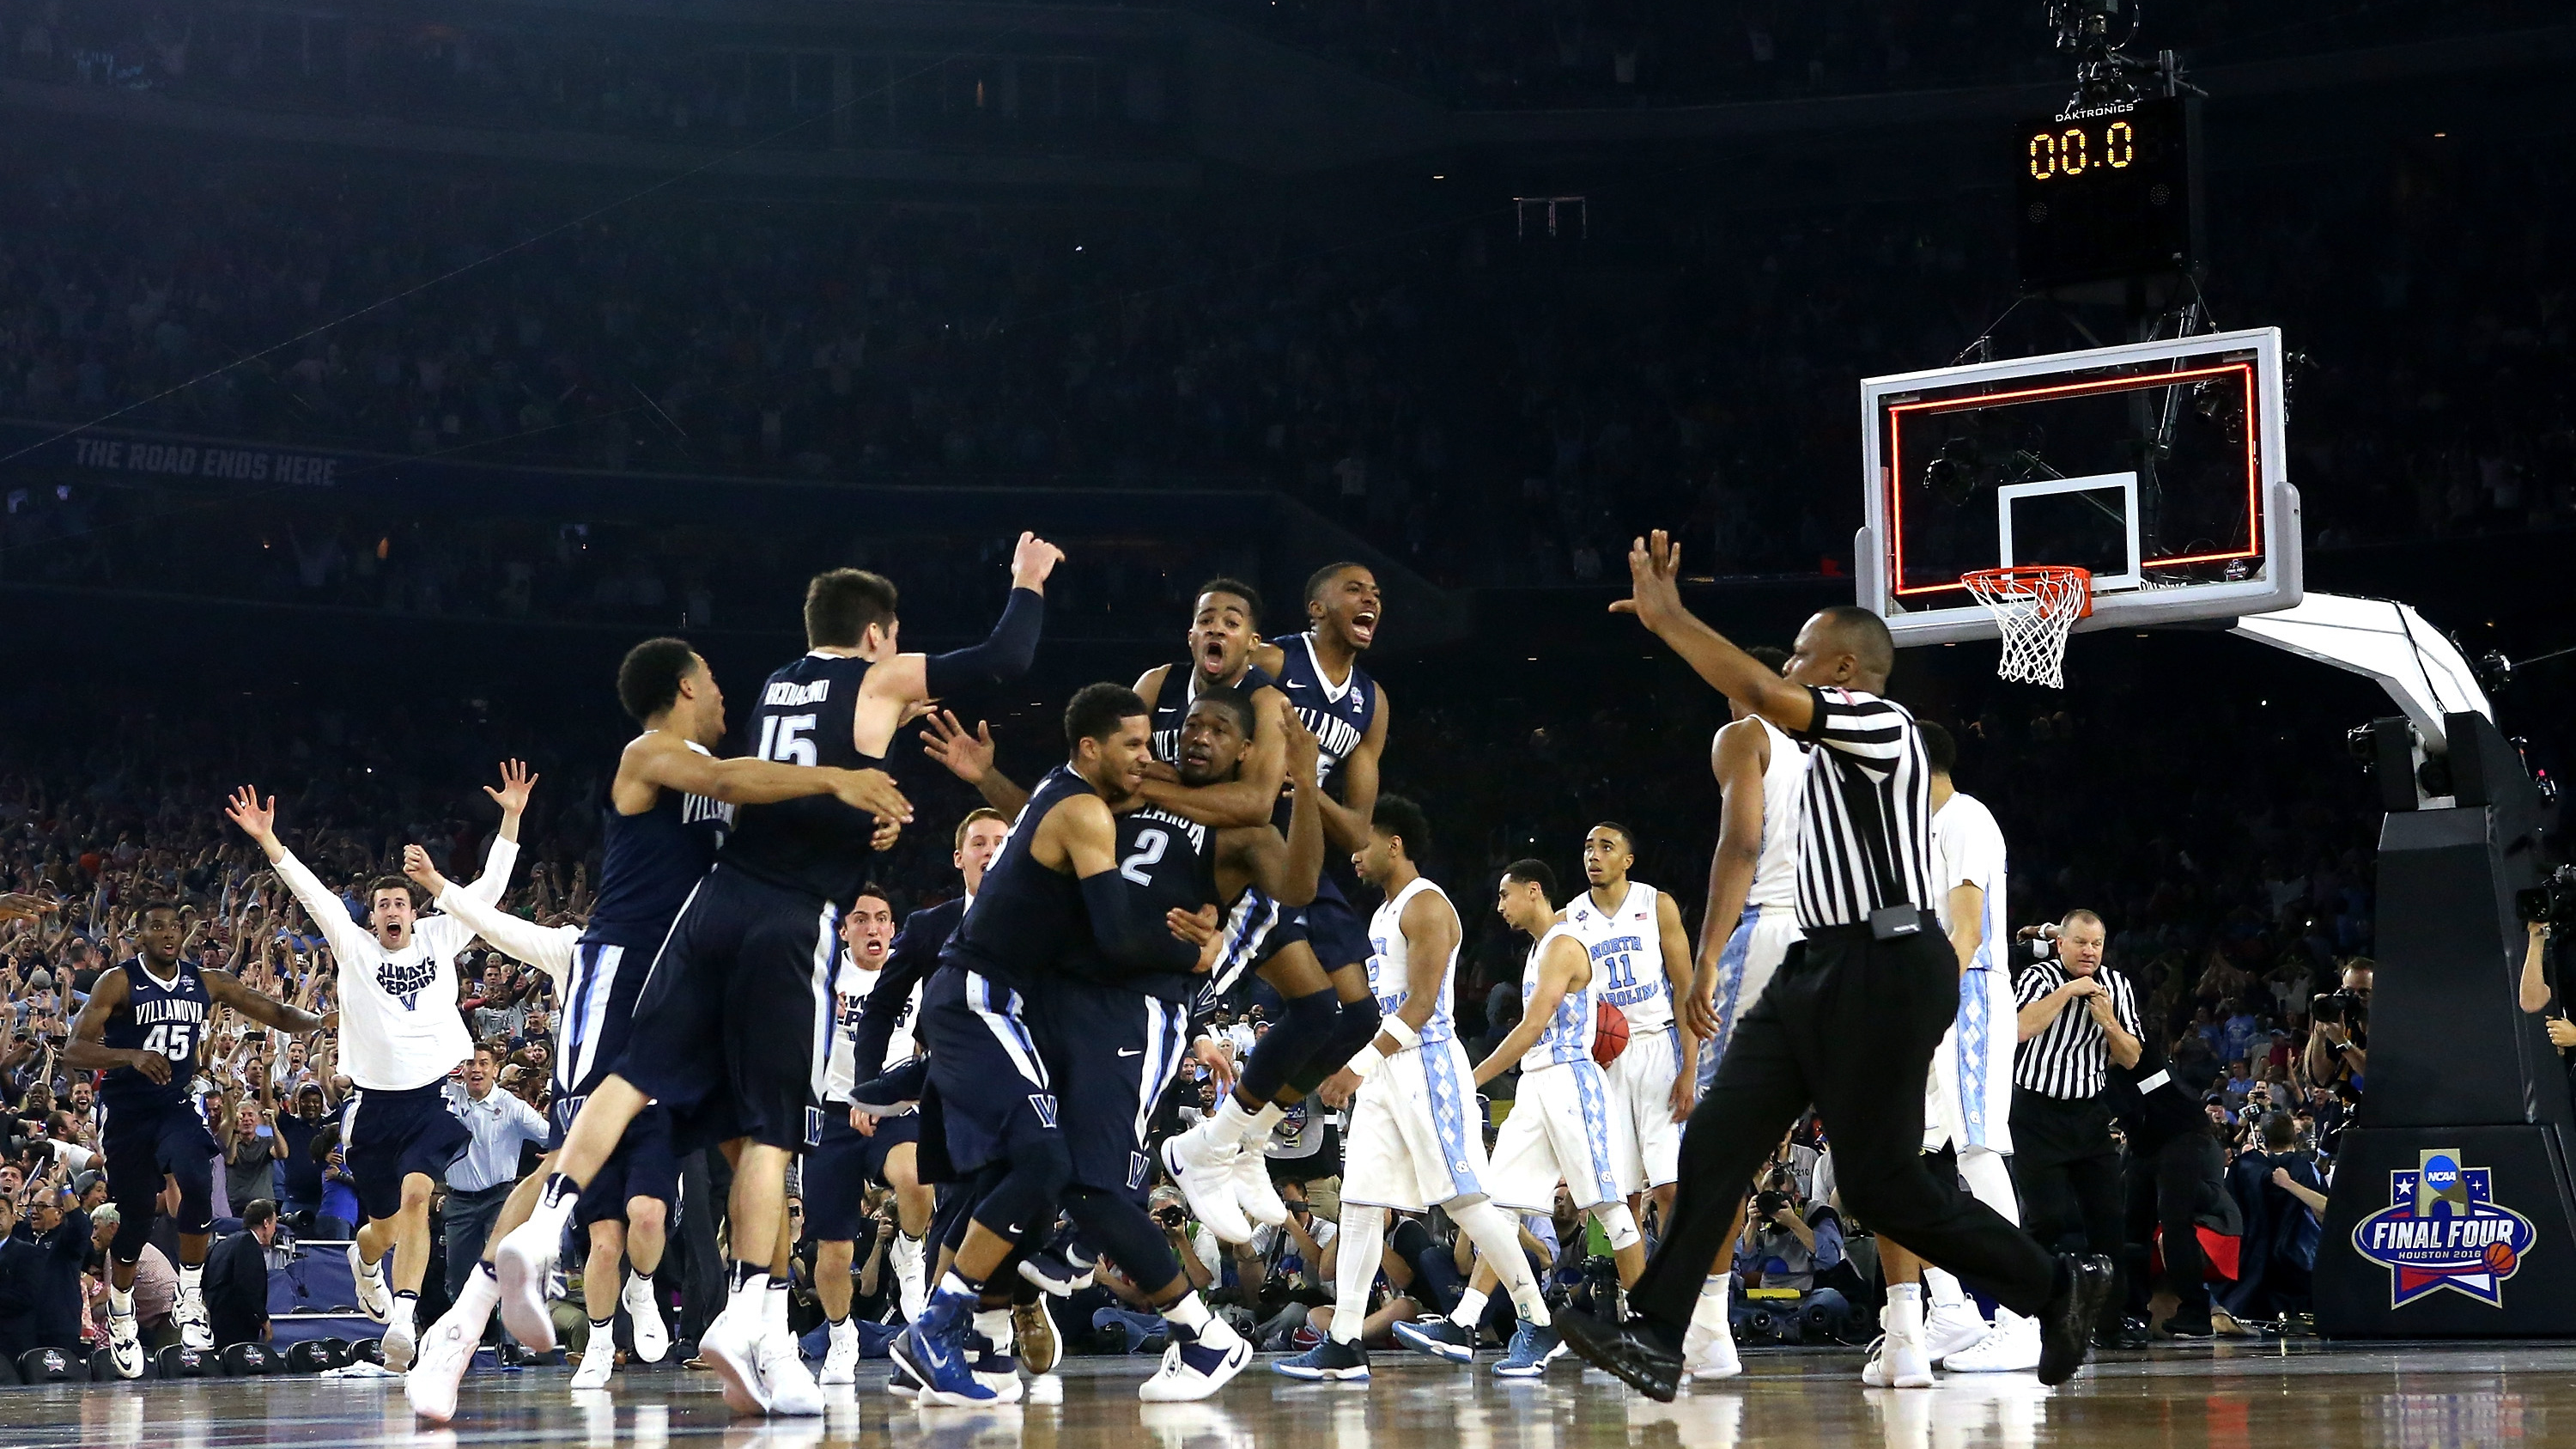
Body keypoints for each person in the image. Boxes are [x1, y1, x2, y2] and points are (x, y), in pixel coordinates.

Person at [501, 542, 1054, 1420]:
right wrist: (1028, 583)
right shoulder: (874, 679)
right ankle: (753, 1308)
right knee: (770, 1130)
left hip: (713, 905)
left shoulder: (772, 689)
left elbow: (762, 785)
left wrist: (853, 814)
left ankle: (544, 1226)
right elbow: (1003, 659)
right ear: (878, 633)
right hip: (791, 921)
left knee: (635, 1072)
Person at [1555, 533, 2111, 1402]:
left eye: (1804, 656)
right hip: (1816, 966)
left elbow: (1758, 690)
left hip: (1889, 961)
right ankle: (1661, 1332)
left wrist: (1670, 620)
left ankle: (2054, 1287)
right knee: (1720, 1135)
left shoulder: (1882, 725)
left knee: (1887, 1188)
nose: (1790, 668)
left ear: (1843, 666)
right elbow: (1750, 749)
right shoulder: (1803, 751)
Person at [404, 636, 908, 1419]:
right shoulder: (654, 752)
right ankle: (458, 1330)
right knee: (565, 1160)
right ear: (682, 686)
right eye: (711, 682)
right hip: (625, 968)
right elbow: (733, 776)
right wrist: (844, 776)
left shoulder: (735, 783)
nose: (722, 697)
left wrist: (859, 822)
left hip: (706, 981)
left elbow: (784, 824)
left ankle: (766, 1334)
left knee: (756, 1152)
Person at [891, 683, 1246, 1406]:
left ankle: (970, 1331)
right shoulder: (1083, 808)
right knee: (1048, 1162)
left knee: (1012, 1172)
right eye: (1135, 745)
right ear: (1090, 747)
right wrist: (1198, 954)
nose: (1151, 758)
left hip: (1000, 999)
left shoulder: (1063, 793)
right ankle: (943, 1321)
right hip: (983, 994)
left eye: (1154, 743)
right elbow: (1116, 935)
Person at [224, 765, 531, 1372]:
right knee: (380, 1230)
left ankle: (404, 1315)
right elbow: (312, 891)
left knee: (419, 1197)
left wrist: (512, 815)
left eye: (401, 901)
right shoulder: (355, 946)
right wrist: (268, 841)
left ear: (414, 911)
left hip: (432, 1099)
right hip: (373, 1105)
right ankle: (367, 1262)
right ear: (372, 916)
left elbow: (489, 891)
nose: (393, 909)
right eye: (384, 903)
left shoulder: (441, 937)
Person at [1274, 797, 1557, 1382]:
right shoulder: (1382, 914)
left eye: (1363, 843)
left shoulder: (1426, 903)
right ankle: (1346, 1339)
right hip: (1387, 1068)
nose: (1355, 855)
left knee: (1466, 1200)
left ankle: (1537, 1317)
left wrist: (1358, 1063)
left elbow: (1424, 1004)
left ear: (1395, 842)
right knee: (1359, 1201)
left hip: (1427, 1064)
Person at [1390, 858, 1644, 1377]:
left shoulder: (1565, 944)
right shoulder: (1536, 951)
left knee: (1609, 1209)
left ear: (1534, 891)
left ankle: (1653, 1327)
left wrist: (1471, 1078)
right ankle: (1467, 1323)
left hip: (1572, 1081)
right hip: (1536, 1085)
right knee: (1499, 1207)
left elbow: (1531, 1026)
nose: (1501, 906)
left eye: (1507, 895)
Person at [61, 897, 332, 1378]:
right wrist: (130, 1056)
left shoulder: (206, 982)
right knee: (138, 1216)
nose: (169, 934)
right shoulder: (118, 981)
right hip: (126, 1112)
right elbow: (73, 1050)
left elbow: (275, 1011)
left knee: (197, 1178)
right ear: (138, 936)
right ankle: (122, 1311)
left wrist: (323, 1021)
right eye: (158, 926)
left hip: (173, 1104)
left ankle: (190, 1296)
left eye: (175, 927)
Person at [1873, 720, 2037, 1381]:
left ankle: (2024, 1319)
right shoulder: (1913, 836)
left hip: (1965, 995)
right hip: (1930, 999)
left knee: (1976, 1149)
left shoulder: (1966, 818)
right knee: (1903, 1156)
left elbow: (1964, 929)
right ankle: (1951, 1309)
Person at [1678, 642, 1799, 1383]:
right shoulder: (1832, 747)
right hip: (1848, 940)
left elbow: (1742, 841)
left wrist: (1707, 955)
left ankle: (1707, 1328)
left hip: (1773, 930)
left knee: (1719, 1141)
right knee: (1880, 1147)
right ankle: (1918, 1323)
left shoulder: (1743, 735)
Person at [806, 886, 935, 1385]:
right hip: (834, 1114)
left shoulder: (912, 973)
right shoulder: (824, 975)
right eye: (862, 920)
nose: (874, 928)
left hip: (895, 1103)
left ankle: (910, 1244)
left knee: (917, 1178)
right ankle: (842, 1337)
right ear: (844, 932)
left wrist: (907, 1092)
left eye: (883, 918)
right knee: (833, 1252)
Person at [2010, 909, 2144, 1348]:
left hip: (2089, 1115)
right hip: (2036, 1113)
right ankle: (2024, 1318)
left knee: (2109, 1222)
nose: (2089, 951)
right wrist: (2068, 991)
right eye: (2081, 943)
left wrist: (2107, 1020)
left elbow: (2131, 1058)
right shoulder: (2038, 977)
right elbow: (2019, 1029)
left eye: (2097, 944)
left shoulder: (2118, 986)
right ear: (2061, 944)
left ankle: (2109, 1324)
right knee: (2045, 1219)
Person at [1562, 824, 1695, 1234]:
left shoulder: (1657, 904)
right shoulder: (1569, 917)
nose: (1594, 856)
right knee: (1619, 1194)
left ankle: (1678, 1283)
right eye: (1588, 848)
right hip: (1605, 1058)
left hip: (1658, 1046)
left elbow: (1685, 989)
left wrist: (1690, 1067)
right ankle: (1626, 1292)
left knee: (1670, 1185)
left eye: (1605, 847)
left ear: (1627, 860)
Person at [440, 1043, 548, 1343]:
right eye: (471, 1063)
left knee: (503, 1267)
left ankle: (510, 1344)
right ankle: (461, 1343)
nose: (477, 1069)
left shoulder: (511, 1106)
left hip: (500, 1199)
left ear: (495, 1070)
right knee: (460, 1276)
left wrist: (559, 1151)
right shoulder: (448, 1098)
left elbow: (548, 1134)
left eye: (484, 1063)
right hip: (459, 1201)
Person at [204, 1199, 278, 1349]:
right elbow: (247, 1287)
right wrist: (263, 1319)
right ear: (266, 1223)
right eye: (274, 1224)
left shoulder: (222, 1244)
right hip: (236, 1328)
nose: (274, 1231)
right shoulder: (248, 1245)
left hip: (214, 1325)